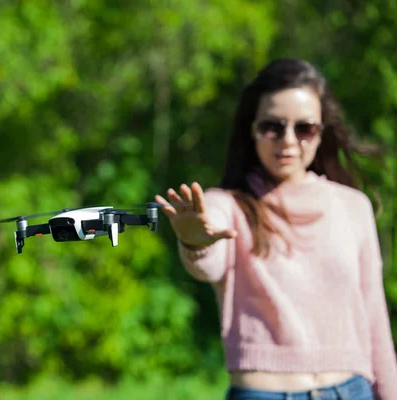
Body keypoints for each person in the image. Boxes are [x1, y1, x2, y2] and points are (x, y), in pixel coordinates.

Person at [155, 59, 397, 400]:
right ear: (252, 131)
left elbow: (375, 321)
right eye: (272, 126)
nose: (287, 140)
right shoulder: (228, 205)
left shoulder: (353, 207)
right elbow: (208, 257)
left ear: (321, 132)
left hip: (351, 391)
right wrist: (195, 242)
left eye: (304, 128)